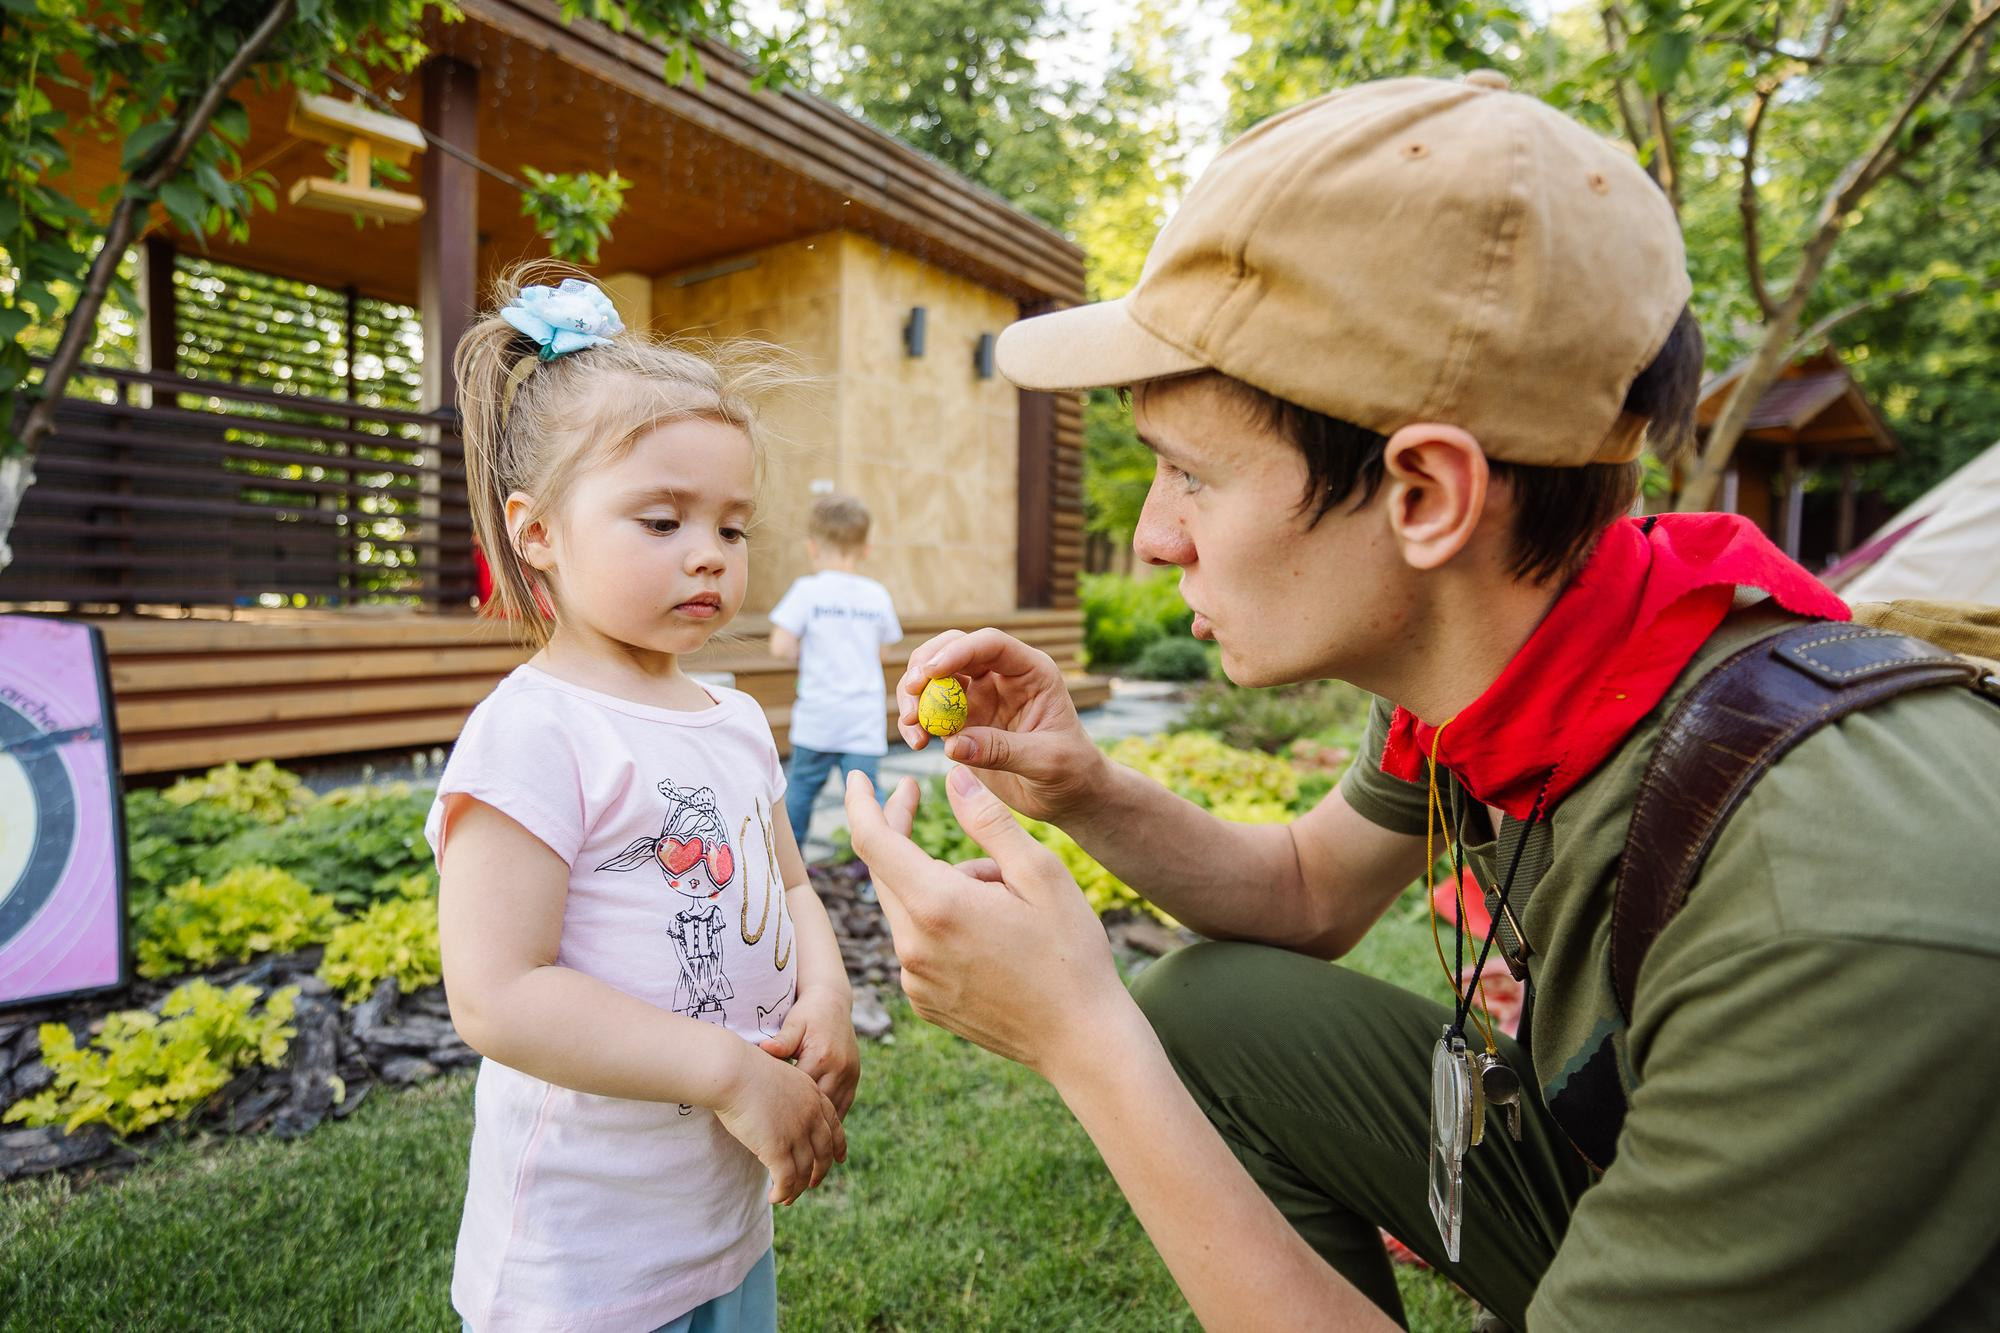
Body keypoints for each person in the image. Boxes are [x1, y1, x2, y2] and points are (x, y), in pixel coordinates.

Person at [842, 74, 2000, 1331]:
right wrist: (1082, 785)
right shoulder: (1538, 641)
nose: (1152, 536)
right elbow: (1304, 892)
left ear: (1427, 497)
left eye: (1187, 474)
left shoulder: (1829, 907)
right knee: (1212, 1008)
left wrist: (1082, 1040)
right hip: (1635, 1152)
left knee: (1144, 1028)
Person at [428, 271, 858, 1333]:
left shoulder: (734, 719)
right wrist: (725, 1071)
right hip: (582, 1260)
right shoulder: (534, 731)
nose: (708, 552)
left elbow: (791, 883)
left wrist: (830, 987)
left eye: (734, 526)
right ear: (536, 533)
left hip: (713, 1221)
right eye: (661, 519)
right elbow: (496, 993)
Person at [768, 494, 902, 854]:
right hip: (862, 721)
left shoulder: (807, 592)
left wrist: (802, 650)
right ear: (866, 549)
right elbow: (883, 650)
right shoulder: (876, 595)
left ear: (813, 547)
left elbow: (780, 646)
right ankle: (884, 873)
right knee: (868, 801)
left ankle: (788, 873)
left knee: (799, 794)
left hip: (818, 718)